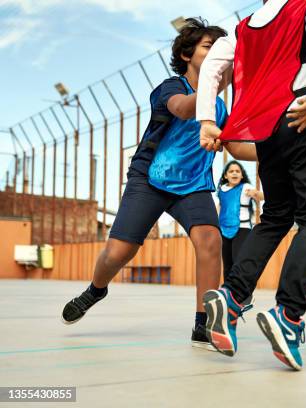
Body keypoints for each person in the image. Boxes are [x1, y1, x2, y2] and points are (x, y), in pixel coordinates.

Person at [60, 18, 256, 350]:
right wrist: (209, 87)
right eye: (209, 47)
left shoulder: (221, 108)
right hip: (150, 180)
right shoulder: (172, 87)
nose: (217, 54)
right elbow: (181, 110)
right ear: (186, 54)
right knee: (118, 252)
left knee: (209, 241)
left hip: (193, 185)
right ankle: (96, 288)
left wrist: (273, 152)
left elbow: (235, 146)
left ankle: (202, 322)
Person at [196, 0, 306, 370]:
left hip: (265, 130)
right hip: (299, 116)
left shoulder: (244, 27)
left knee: (276, 216)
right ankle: (289, 316)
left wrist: (205, 120)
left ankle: (231, 297)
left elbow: (213, 65)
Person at [217, 160, 263, 281]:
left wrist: (256, 194)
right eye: (231, 171)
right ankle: (227, 291)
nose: (234, 173)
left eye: (238, 171)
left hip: (242, 229)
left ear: (242, 175)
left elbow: (261, 196)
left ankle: (241, 292)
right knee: (227, 264)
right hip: (224, 230)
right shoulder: (222, 190)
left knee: (238, 261)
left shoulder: (246, 187)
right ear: (226, 176)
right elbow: (220, 207)